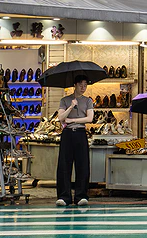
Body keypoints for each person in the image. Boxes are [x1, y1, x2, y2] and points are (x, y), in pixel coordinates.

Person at [56, 76, 94, 207]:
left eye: (85, 85)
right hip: (67, 134)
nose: (83, 87)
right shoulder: (65, 100)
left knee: (82, 165)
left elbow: (90, 118)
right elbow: (60, 117)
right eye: (81, 85)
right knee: (64, 165)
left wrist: (73, 120)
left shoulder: (88, 101)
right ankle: (64, 196)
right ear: (75, 85)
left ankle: (81, 196)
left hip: (80, 133)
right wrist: (71, 107)